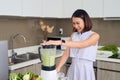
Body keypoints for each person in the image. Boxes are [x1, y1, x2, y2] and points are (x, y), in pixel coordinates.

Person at [41, 9, 100, 80]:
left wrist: (60, 42)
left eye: (78, 23)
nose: (75, 26)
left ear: (85, 21)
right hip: (73, 69)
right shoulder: (74, 35)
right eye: (74, 23)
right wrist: (58, 68)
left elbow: (81, 45)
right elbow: (66, 53)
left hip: (86, 71)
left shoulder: (95, 36)